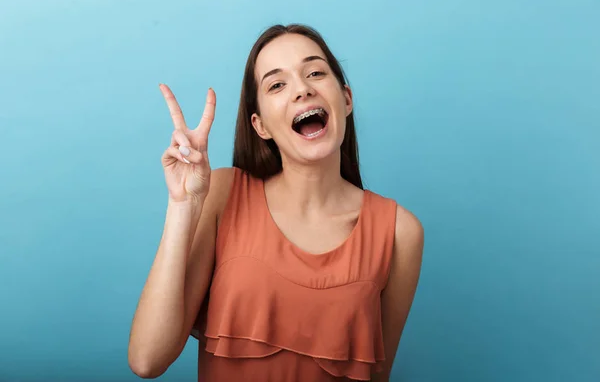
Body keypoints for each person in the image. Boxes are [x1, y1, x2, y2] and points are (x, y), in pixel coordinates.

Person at [128, 24, 424, 382]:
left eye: (315, 72)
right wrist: (183, 205)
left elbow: (377, 376)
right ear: (260, 125)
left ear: (345, 99)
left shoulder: (399, 232)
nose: (303, 89)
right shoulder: (224, 194)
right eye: (277, 84)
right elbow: (147, 360)